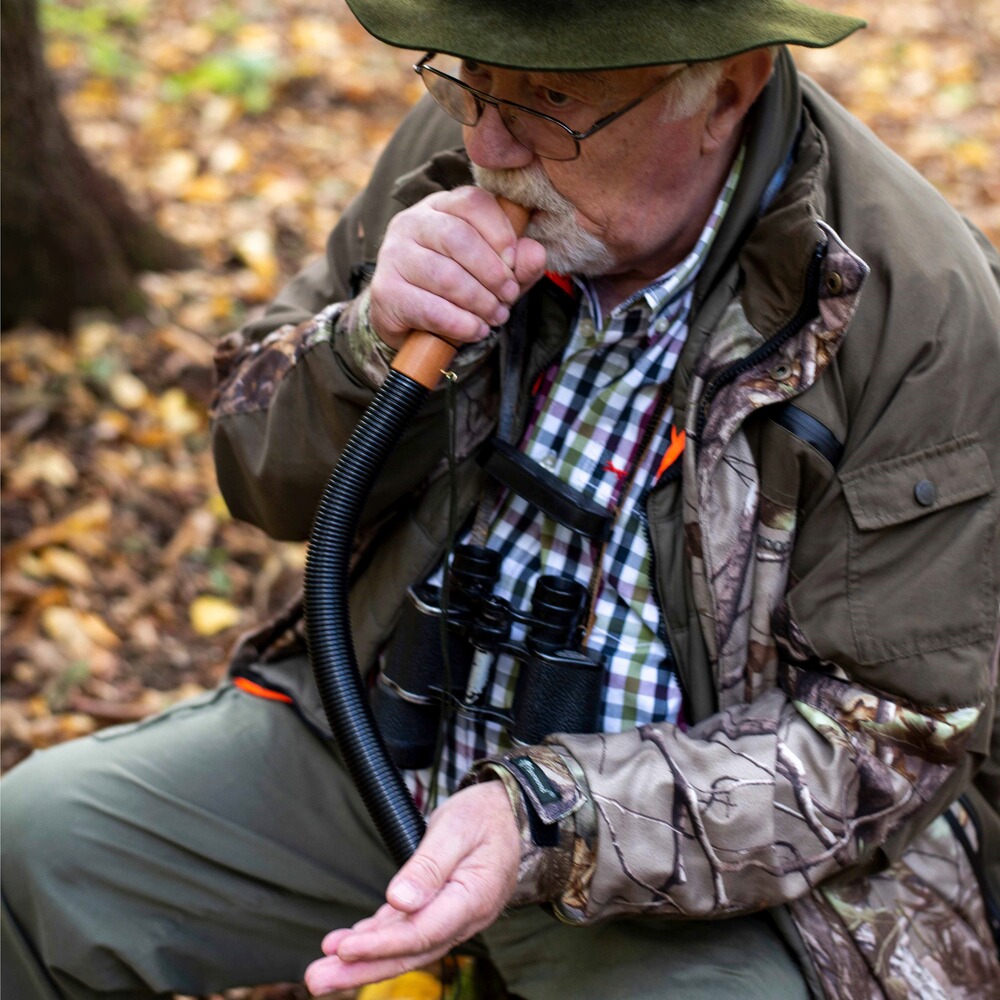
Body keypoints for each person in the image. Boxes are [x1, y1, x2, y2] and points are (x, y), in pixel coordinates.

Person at [3, 0, 999, 997]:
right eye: (470, 79)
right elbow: (257, 472)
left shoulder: (916, 309)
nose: (486, 140)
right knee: (32, 854)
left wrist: (547, 820)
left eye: (551, 100)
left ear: (723, 92)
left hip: (681, 865)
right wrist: (367, 339)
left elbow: (886, 743)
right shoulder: (466, 143)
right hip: (383, 744)